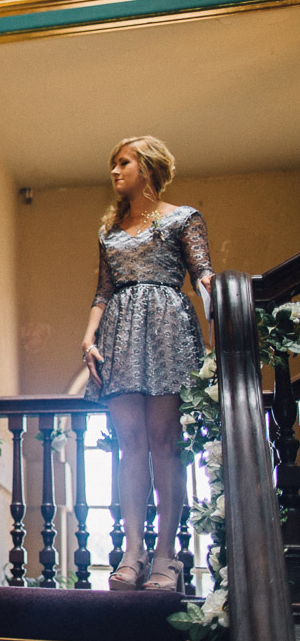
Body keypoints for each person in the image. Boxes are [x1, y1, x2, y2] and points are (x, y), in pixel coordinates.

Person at [81, 136, 213, 593]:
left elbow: (202, 275)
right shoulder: (109, 231)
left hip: (167, 330)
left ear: (149, 167)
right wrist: (88, 334)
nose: (115, 171)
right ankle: (132, 550)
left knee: (163, 441)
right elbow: (103, 290)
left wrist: (221, 298)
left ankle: (166, 554)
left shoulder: (183, 218)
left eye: (123, 163)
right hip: (118, 331)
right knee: (130, 442)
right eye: (113, 164)